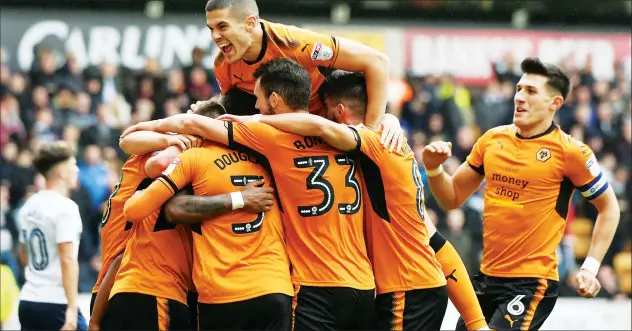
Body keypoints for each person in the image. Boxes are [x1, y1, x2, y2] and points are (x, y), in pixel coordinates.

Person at [219, 70, 489, 331]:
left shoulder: (376, 143)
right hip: (404, 286)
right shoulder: (378, 148)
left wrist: (254, 121)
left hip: (406, 289)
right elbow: (436, 241)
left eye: (325, 108)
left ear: (337, 111)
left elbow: (318, 124)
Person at [122, 58, 376, 330]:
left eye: (259, 99)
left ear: (275, 100)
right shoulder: (352, 138)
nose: (256, 106)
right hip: (360, 283)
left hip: (308, 285)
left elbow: (172, 145)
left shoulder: (268, 138)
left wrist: (157, 130)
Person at [421, 57, 621, 330]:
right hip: (486, 278)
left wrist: (590, 266)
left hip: (531, 282)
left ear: (555, 103)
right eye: (518, 89)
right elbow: (452, 197)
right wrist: (433, 169)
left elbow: (609, 208)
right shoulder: (492, 140)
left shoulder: (571, 153)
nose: (520, 97)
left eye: (531, 91)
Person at [123, 98, 293, 331]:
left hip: (221, 292)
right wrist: (240, 199)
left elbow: (136, 210)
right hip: (274, 286)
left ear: (195, 130)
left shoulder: (193, 158)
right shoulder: (267, 157)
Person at [204, 0, 404, 150]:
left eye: (222, 26)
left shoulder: (296, 43)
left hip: (332, 137)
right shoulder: (222, 66)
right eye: (211, 29)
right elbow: (234, 108)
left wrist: (373, 130)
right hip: (282, 144)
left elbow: (378, 62)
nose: (215, 36)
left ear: (249, 23)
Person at [88, 131, 202, 330]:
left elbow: (126, 139)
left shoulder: (132, 167)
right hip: (140, 285)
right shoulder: (159, 175)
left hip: (109, 289)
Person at [18, 141, 87, 330]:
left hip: (28, 300)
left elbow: (24, 256)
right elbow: (67, 260)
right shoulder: (66, 208)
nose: (77, 170)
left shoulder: (28, 206)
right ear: (62, 172)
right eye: (73, 165)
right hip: (56, 302)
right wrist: (72, 308)